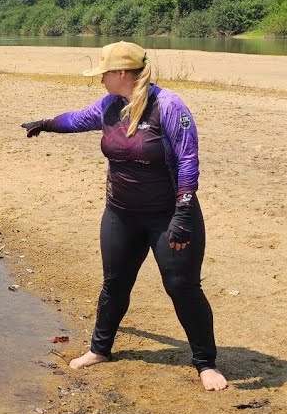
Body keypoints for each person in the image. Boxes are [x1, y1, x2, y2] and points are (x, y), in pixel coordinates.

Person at [22, 41, 228, 391]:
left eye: (103, 73)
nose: (100, 79)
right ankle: (100, 350)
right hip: (121, 213)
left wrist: (183, 214)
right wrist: (47, 123)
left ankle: (205, 363)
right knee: (115, 284)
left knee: (181, 287)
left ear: (121, 73)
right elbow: (77, 119)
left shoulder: (168, 105)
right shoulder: (110, 106)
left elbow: (189, 160)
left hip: (169, 215)